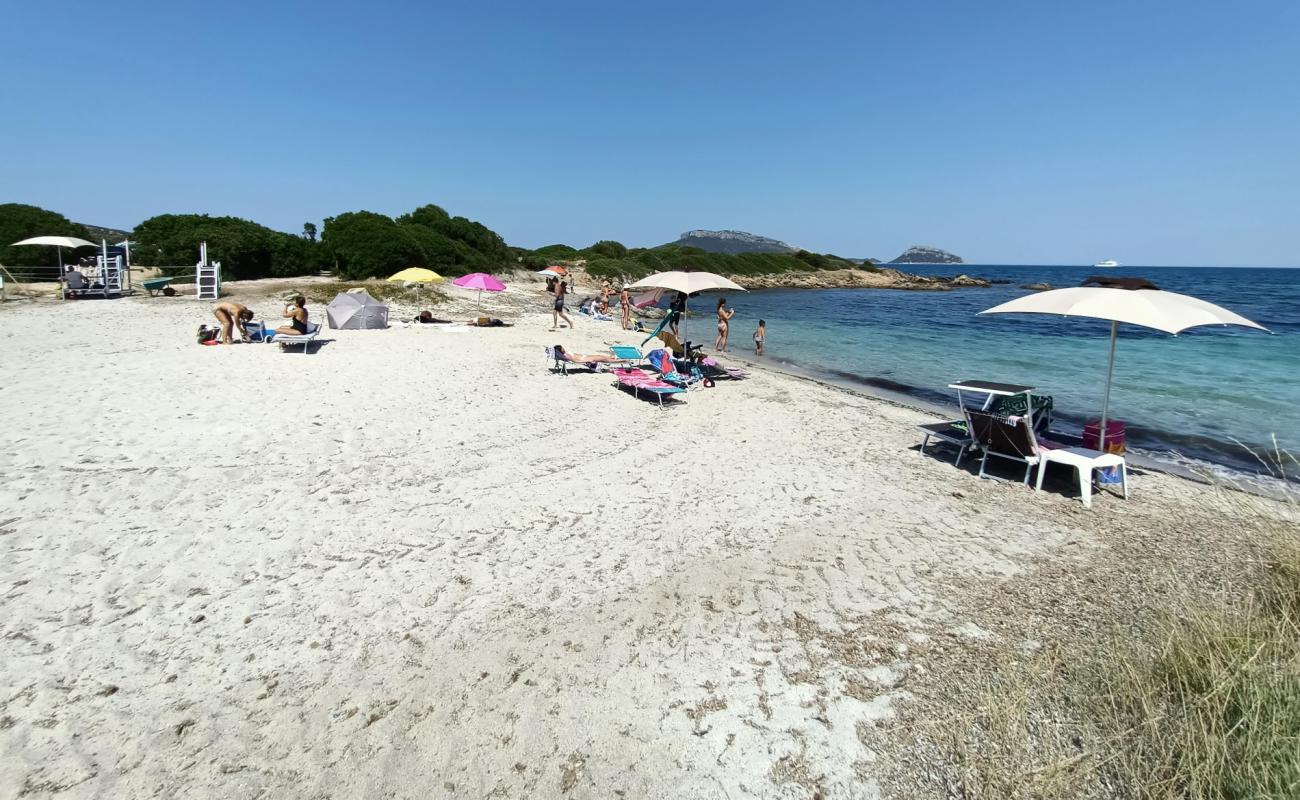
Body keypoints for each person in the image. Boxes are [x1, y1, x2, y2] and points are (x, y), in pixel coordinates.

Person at [553, 344, 620, 364]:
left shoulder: (565, 353)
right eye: (562, 348)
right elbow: (576, 361)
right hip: (585, 358)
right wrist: (587, 361)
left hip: (585, 356)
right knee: (603, 359)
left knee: (600, 356)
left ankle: (614, 357)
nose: (563, 348)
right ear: (560, 350)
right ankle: (621, 361)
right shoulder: (566, 355)